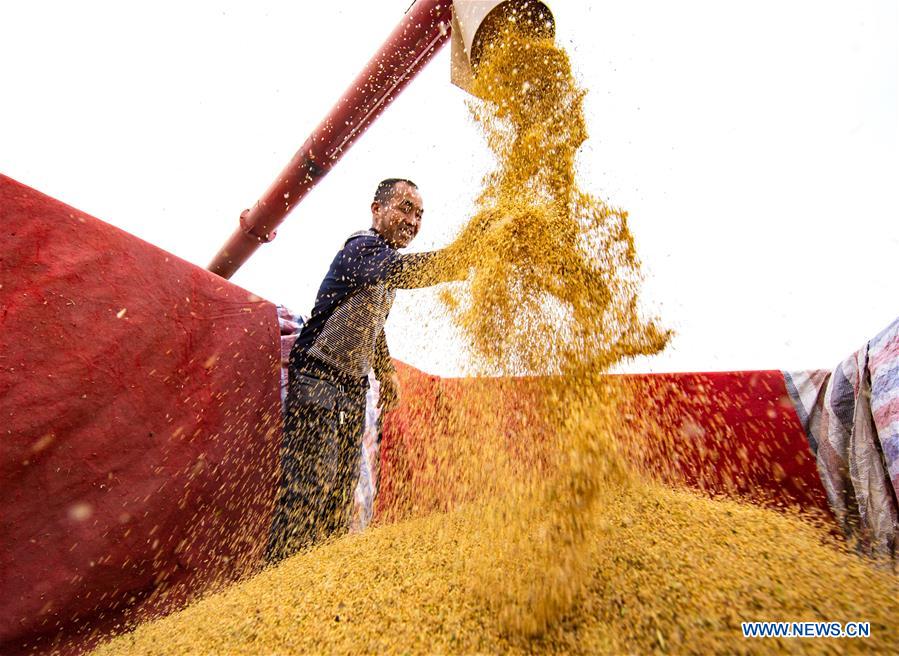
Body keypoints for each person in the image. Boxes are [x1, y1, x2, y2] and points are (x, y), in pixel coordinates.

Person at [266, 178, 459, 563]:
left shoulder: (381, 266)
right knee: (308, 482)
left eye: (419, 214)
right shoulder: (363, 247)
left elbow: (374, 324)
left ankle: (327, 570)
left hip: (352, 384)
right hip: (318, 373)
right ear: (377, 209)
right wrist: (465, 256)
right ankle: (281, 573)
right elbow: (409, 274)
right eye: (405, 208)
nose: (413, 220)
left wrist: (385, 372)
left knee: (341, 487)